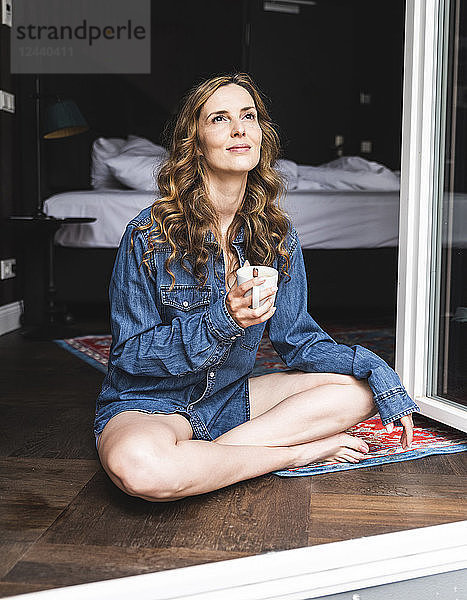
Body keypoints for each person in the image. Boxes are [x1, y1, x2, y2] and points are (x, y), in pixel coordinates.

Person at [94, 72, 419, 503]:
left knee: (359, 392)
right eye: (219, 119)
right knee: (143, 470)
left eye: (248, 116)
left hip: (230, 400)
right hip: (151, 404)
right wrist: (222, 321)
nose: (239, 128)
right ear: (196, 142)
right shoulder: (149, 236)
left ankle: (206, 461)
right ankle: (289, 454)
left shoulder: (276, 235)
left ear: (262, 136)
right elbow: (131, 355)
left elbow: (299, 341)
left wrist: (377, 368)